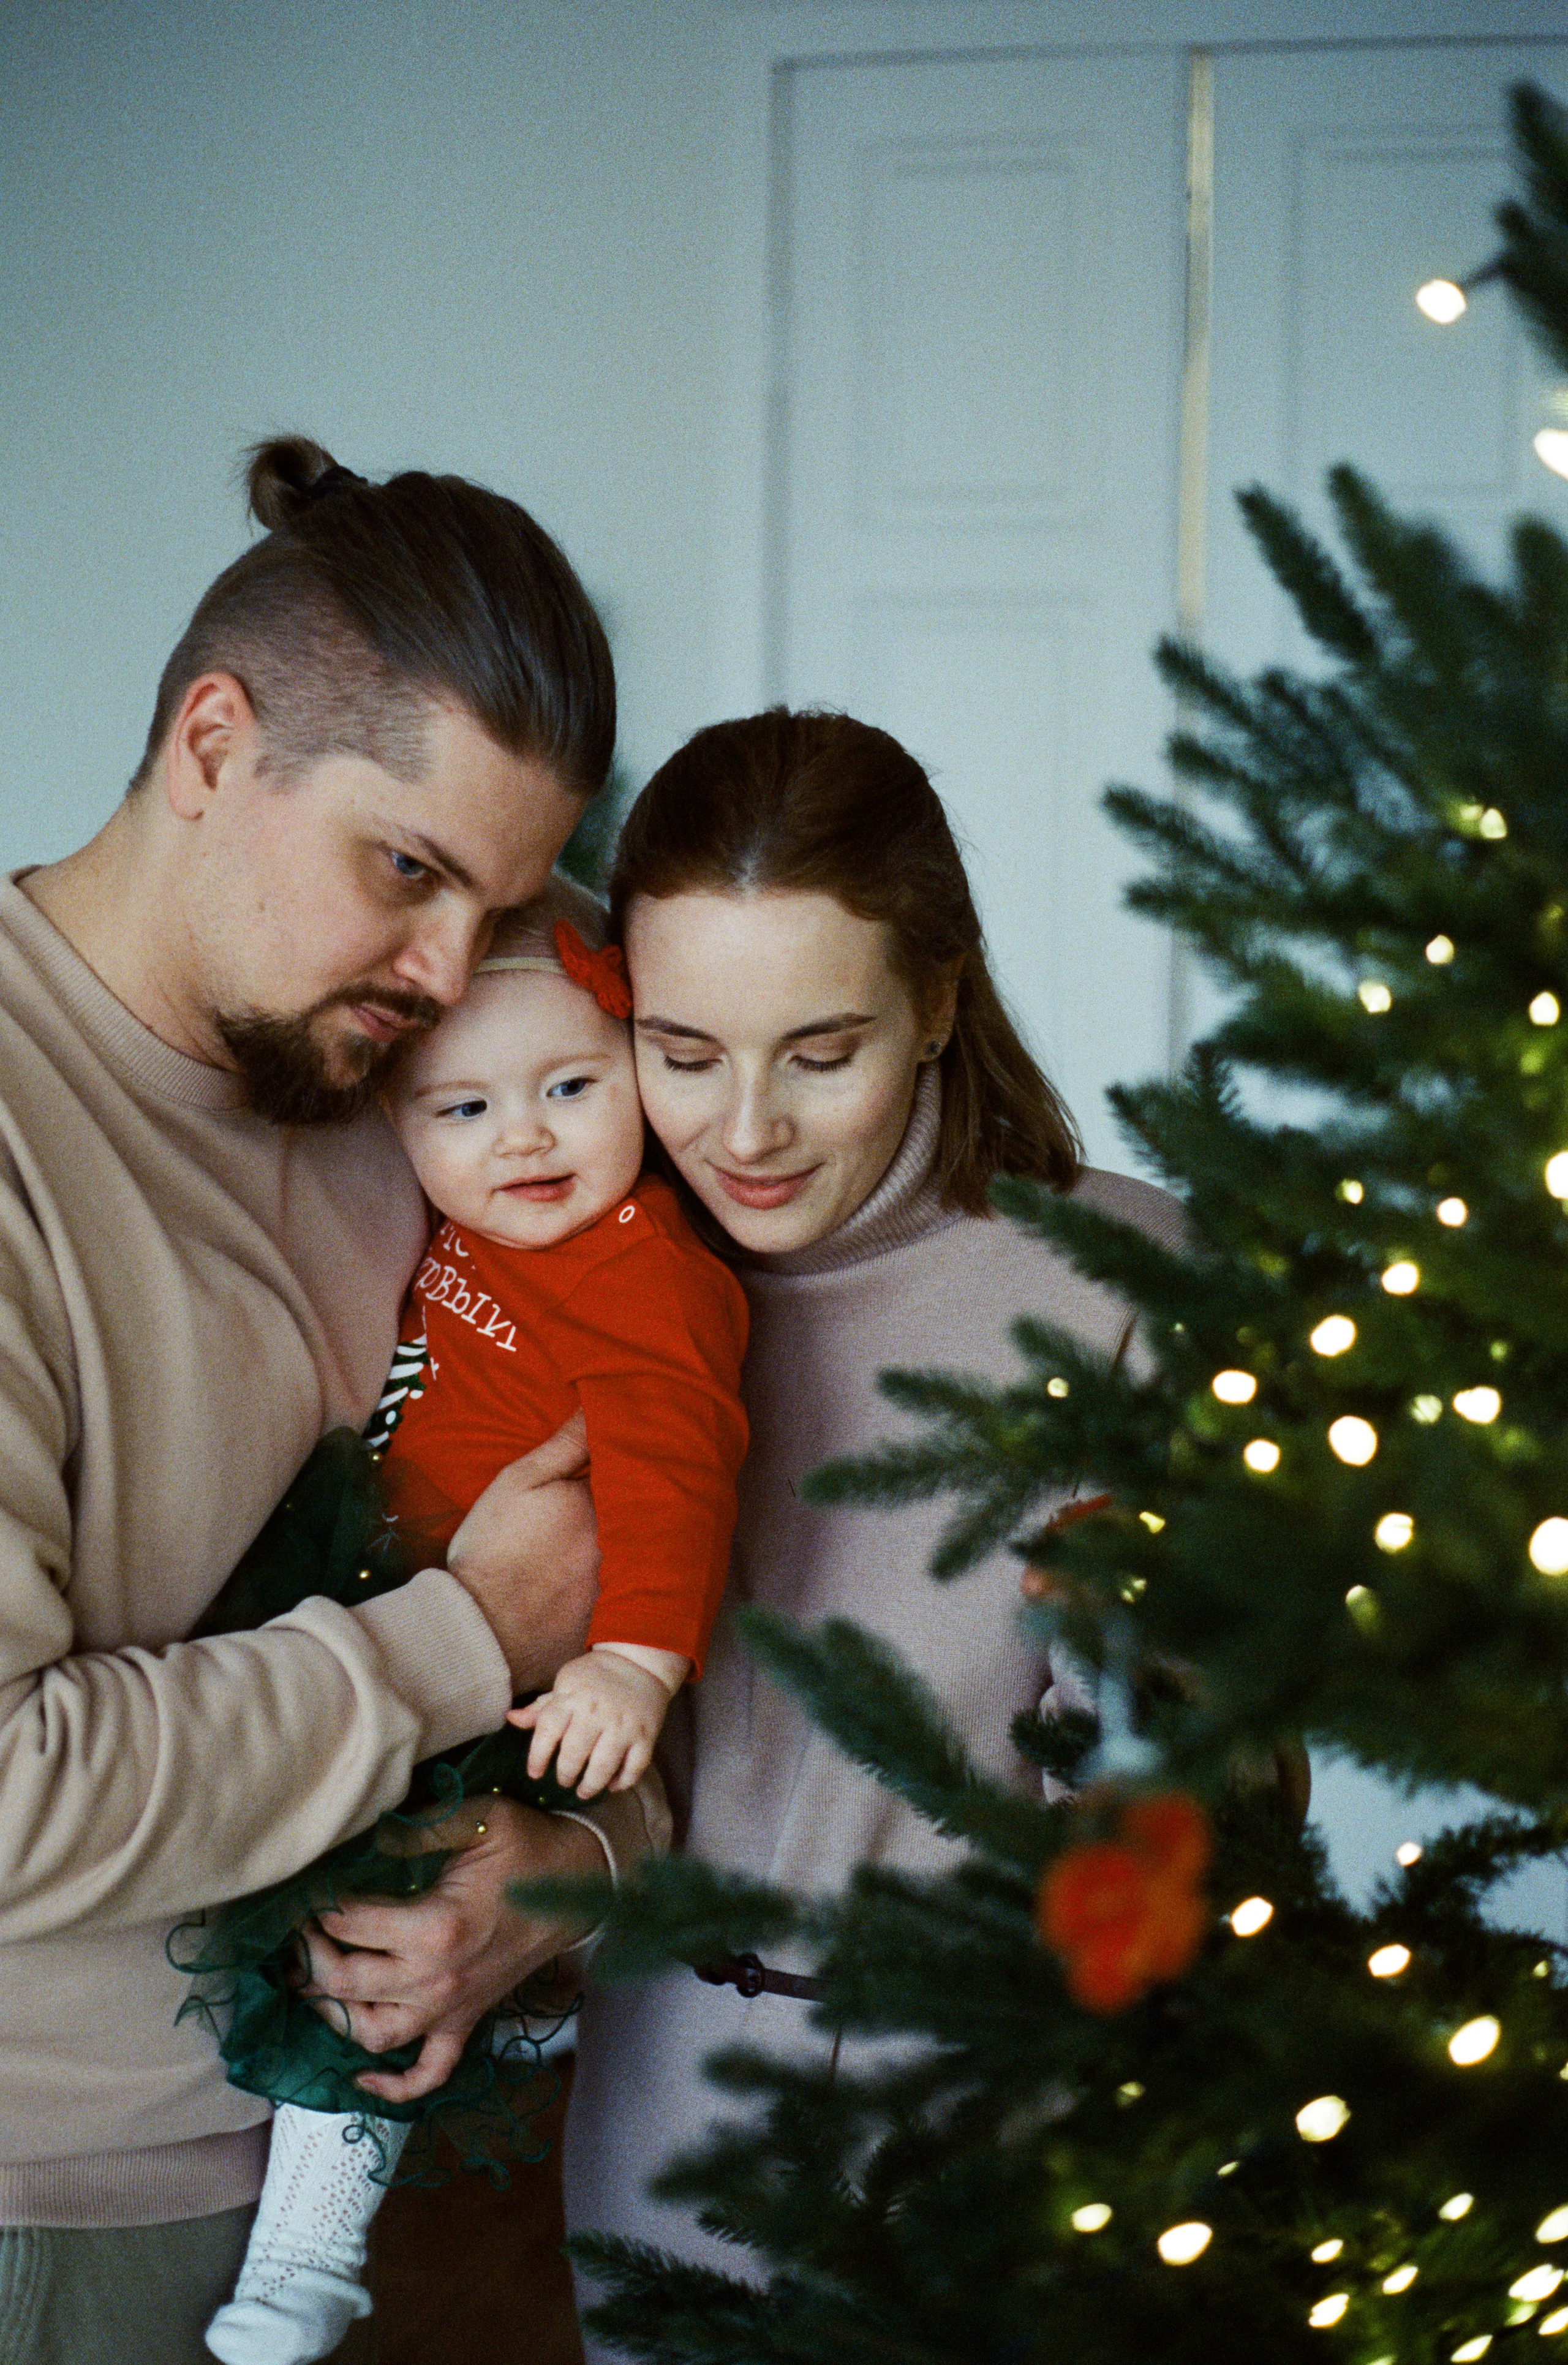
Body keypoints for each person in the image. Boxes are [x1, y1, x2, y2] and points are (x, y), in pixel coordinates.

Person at [0, 436, 663, 2365]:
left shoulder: (463, 1097)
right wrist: (464, 1643)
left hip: (420, 2184)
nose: (456, 972)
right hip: (58, 2222)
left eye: (507, 901)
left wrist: (578, 1869)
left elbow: (642, 1561)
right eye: (407, 868)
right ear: (214, 745)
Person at [559, 708, 1188, 2353]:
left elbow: (1245, 1791)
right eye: (682, 1051)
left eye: (818, 1050)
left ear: (939, 1004)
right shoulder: (572, 1298)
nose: (744, 1129)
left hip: (1017, 2159)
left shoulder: (1133, 1284)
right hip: (655, 2132)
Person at [206, 877, 747, 2365]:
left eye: (570, 1087)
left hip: (495, 1670)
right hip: (379, 1595)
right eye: (462, 1109)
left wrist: (633, 1659)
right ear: (401, 1126)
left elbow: (675, 1461)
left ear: (637, 1071)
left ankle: (315, 2241)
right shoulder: (451, 1223)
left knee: (377, 1924)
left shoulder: (646, 1270)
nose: (521, 1136)